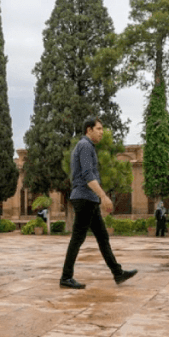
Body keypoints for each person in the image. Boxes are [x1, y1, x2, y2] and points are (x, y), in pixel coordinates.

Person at [59, 117, 137, 290]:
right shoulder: (85, 146)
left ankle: (118, 273)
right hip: (85, 198)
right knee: (78, 238)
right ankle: (66, 277)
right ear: (89, 130)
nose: (102, 132)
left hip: (89, 199)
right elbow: (88, 175)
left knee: (102, 237)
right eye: (99, 128)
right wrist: (104, 196)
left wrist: (99, 198)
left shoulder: (87, 146)